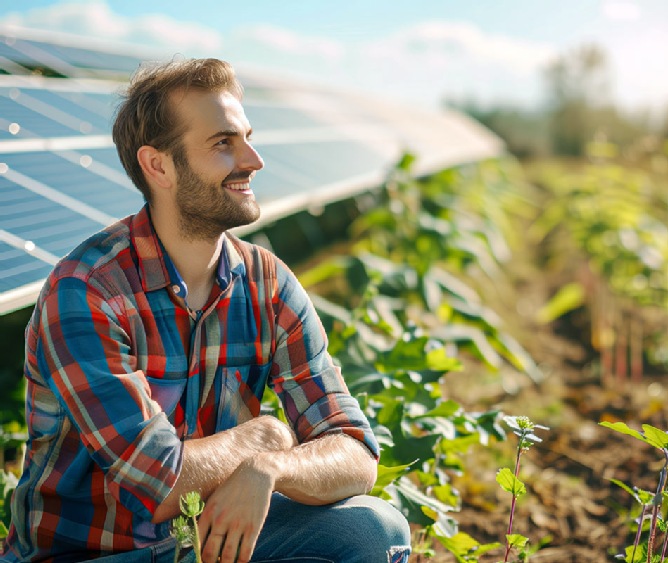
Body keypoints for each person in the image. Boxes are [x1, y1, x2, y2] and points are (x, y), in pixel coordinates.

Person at [0, 58, 411, 563]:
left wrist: (269, 470)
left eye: (247, 137)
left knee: (374, 529)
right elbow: (158, 483)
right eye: (224, 143)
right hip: (92, 555)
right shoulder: (86, 293)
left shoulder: (269, 284)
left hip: (207, 542)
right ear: (159, 166)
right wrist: (268, 435)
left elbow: (355, 450)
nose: (254, 160)